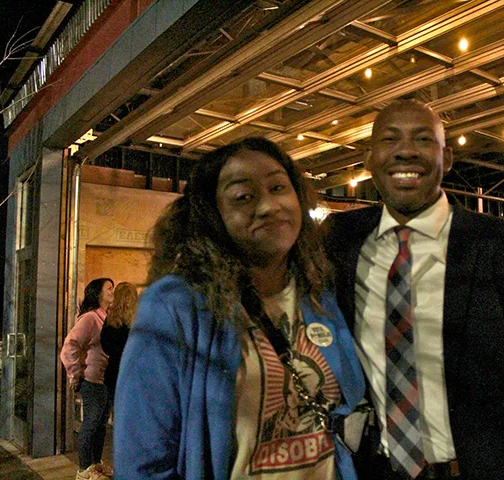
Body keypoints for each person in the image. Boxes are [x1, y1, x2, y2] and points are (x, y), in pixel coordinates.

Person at [323, 98, 504, 479]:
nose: (406, 151)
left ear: (448, 157)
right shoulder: (338, 239)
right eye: (390, 139)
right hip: (368, 469)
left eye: (423, 139)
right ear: (369, 157)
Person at [113, 137, 364, 479]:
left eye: (278, 187)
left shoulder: (320, 293)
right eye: (243, 197)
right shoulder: (176, 305)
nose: (269, 206)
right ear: (213, 215)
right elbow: (142, 462)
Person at [60, 278, 114, 480]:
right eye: (108, 288)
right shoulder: (90, 318)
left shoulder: (105, 317)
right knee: (91, 423)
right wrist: (75, 374)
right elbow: (69, 346)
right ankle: (84, 470)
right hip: (90, 380)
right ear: (98, 293)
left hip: (103, 379)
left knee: (100, 425)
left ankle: (96, 465)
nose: (112, 291)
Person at [99, 282, 138, 402]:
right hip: (135, 372)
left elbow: (105, 345)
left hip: (114, 372)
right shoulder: (140, 319)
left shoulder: (110, 319)